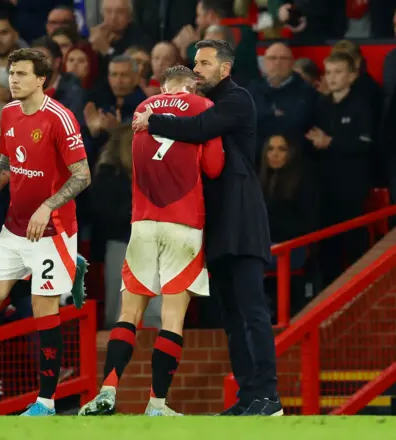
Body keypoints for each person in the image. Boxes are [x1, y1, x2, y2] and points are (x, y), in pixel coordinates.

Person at [132, 40, 282, 416]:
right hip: (214, 221)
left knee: (252, 310)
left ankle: (269, 398)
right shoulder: (202, 104)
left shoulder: (237, 99)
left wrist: (153, 119)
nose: (196, 69)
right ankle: (248, 397)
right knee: (230, 315)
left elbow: (201, 129)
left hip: (243, 219)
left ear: (225, 69)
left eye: (205, 63)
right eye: (195, 62)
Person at [79, 65, 225, 417]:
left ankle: (107, 391)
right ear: (192, 86)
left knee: (129, 314)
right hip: (184, 224)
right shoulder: (203, 109)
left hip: (143, 224)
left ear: (162, 88)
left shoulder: (141, 111)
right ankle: (157, 404)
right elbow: (215, 167)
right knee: (172, 318)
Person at [0, 48, 91, 417]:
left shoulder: (60, 117)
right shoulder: (7, 113)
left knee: (44, 310)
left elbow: (83, 175)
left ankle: (45, 402)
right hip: (14, 228)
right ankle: (66, 269)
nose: (13, 80)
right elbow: (8, 159)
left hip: (51, 231)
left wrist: (48, 205)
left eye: (21, 74)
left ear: (41, 79)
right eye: (11, 73)